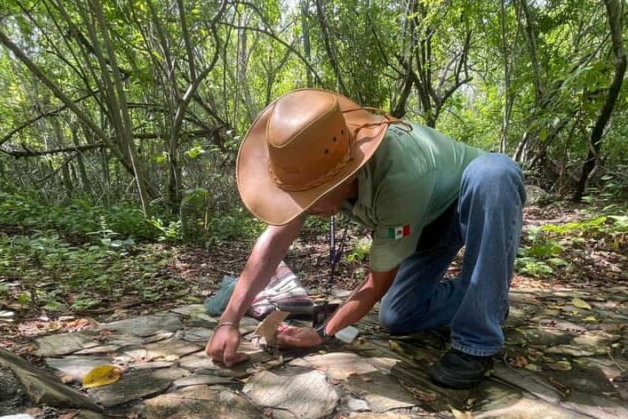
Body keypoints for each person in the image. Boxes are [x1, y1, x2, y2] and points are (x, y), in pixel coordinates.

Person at [205, 88, 525, 388]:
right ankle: (486, 297)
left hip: (470, 200)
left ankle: (477, 340)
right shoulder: (317, 159)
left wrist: (322, 334)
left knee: (494, 173)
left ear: (346, 176)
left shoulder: (400, 174)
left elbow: (376, 282)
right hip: (421, 224)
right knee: (398, 316)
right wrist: (228, 322)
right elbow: (274, 241)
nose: (305, 208)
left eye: (312, 198)